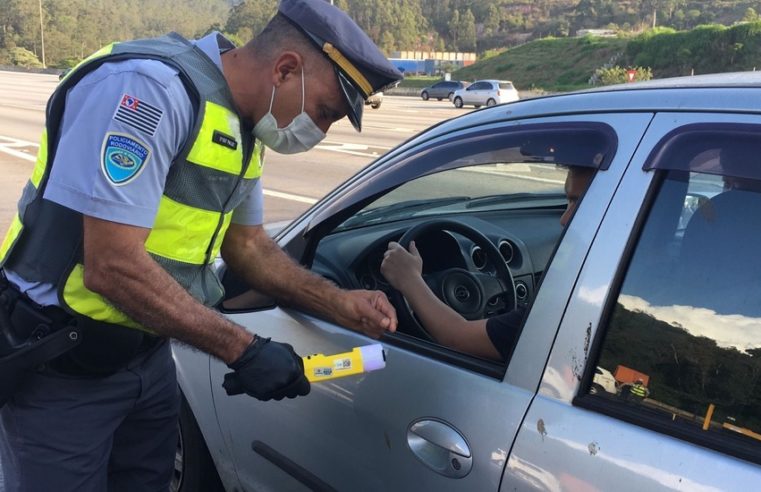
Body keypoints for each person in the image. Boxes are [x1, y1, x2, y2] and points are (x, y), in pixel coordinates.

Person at [0, 0, 401, 490]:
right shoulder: (150, 91)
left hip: (147, 360)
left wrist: (337, 302)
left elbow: (248, 246)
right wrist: (244, 350)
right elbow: (111, 265)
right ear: (286, 69)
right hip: (62, 369)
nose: (320, 131)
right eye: (324, 112)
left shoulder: (246, 125)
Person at [380, 165, 596, 362]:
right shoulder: (605, 282)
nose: (564, 219)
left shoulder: (565, 313)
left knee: (379, 363)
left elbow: (456, 338)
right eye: (568, 201)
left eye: (581, 203)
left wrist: (409, 280)